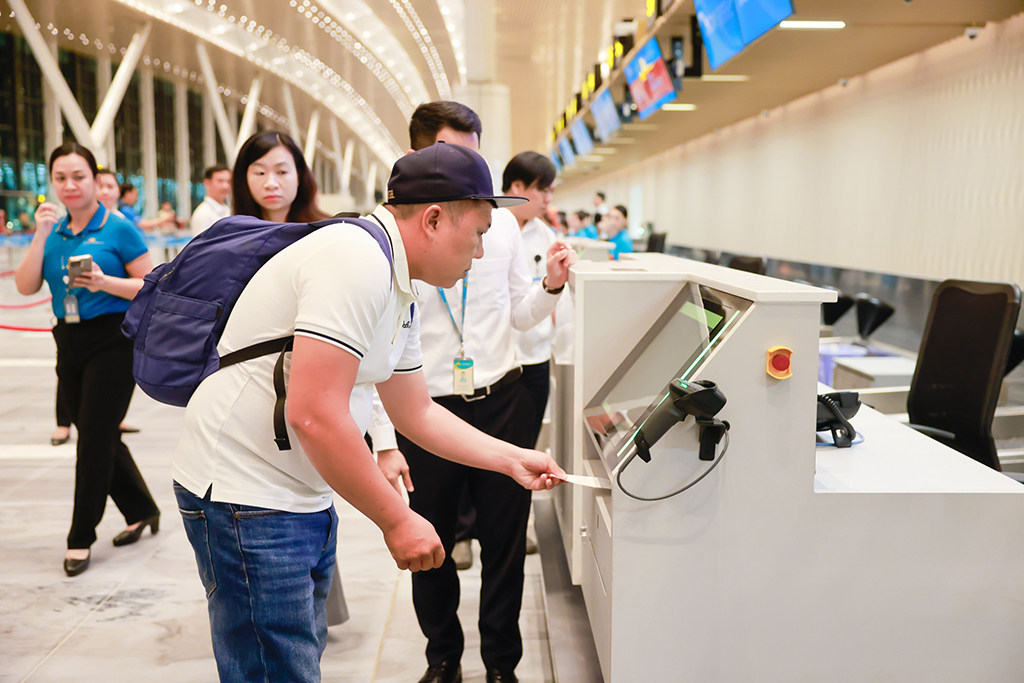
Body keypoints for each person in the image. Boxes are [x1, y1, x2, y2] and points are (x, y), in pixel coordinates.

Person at [171, 137, 565, 683]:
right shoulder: (355, 261)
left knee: (294, 658)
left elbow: (416, 411)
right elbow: (314, 413)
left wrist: (509, 458)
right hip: (246, 495)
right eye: (477, 234)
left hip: (295, 490)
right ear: (432, 220)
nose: (479, 253)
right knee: (275, 669)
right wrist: (397, 518)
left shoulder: (397, 282)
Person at [373, 103, 576, 683]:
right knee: (429, 540)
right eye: (456, 148)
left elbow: (519, 315)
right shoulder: (397, 234)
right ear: (420, 155)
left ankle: (500, 665)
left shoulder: (501, 224)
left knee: (506, 544)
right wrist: (387, 439)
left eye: (476, 148)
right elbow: (375, 357)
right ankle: (443, 660)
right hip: (424, 411)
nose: (472, 160)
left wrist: (551, 288)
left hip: (502, 399)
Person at [14, 143, 161, 577]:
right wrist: (40, 235)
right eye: (60, 178)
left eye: (78, 176)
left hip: (115, 337)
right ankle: (142, 509)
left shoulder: (118, 228)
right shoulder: (55, 231)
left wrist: (104, 282)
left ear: (96, 180)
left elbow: (150, 284)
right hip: (69, 337)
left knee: (94, 436)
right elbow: (25, 287)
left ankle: (80, 536)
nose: (70, 185)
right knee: (91, 428)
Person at [507, 153, 561, 447]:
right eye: (543, 189)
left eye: (551, 190)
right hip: (497, 360)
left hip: (535, 360)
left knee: (526, 445)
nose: (548, 198)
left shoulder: (545, 234)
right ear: (516, 186)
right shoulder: (488, 229)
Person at [190, 164, 232, 237]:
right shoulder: (204, 214)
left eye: (228, 181)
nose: (225, 186)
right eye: (220, 181)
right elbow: (203, 247)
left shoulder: (226, 209)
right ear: (207, 183)